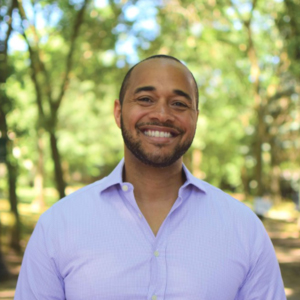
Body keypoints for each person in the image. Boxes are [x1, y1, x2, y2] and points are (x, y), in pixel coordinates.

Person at [15, 55, 286, 300]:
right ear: (119, 112)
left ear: (195, 118)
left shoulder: (244, 229)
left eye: (179, 103)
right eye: (145, 99)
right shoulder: (59, 224)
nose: (161, 115)